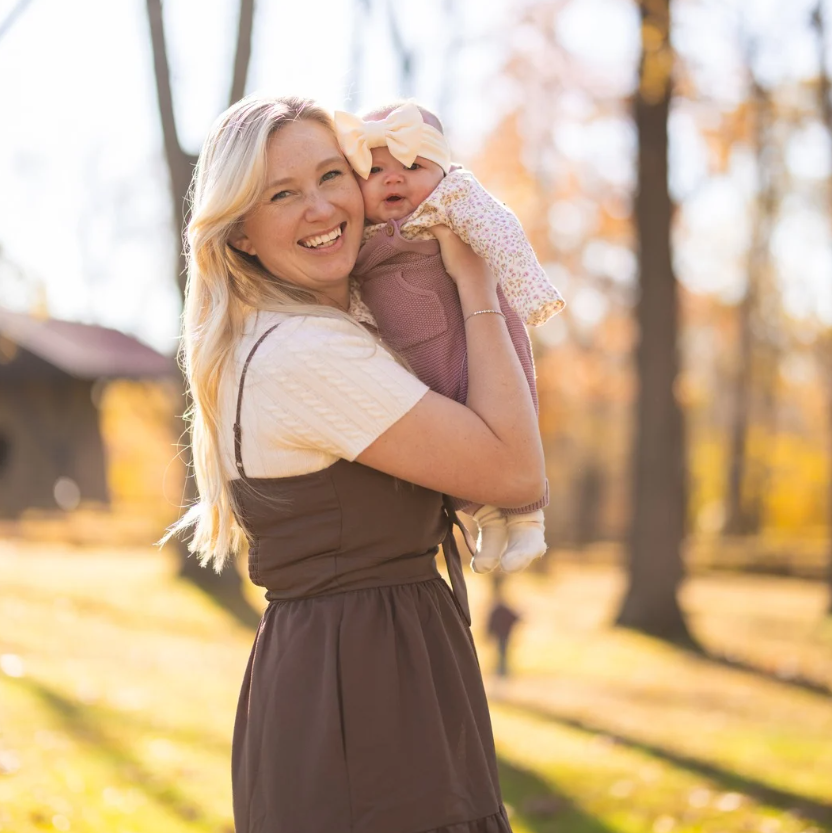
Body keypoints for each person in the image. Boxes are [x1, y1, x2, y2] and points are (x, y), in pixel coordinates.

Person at [164, 93, 546, 833]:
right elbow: (515, 472)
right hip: (363, 696)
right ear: (241, 233)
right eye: (282, 193)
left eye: (332, 175)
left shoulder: (315, 331)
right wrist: (474, 282)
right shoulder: (307, 354)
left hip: (366, 673)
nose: (321, 208)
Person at [334, 100, 564, 574]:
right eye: (375, 171)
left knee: (505, 407)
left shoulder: (452, 198)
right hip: (416, 358)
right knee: (453, 437)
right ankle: (486, 519)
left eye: (413, 166)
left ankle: (528, 522)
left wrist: (531, 292)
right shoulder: (360, 231)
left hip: (471, 331)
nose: (393, 179)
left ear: (442, 168)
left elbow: (501, 232)